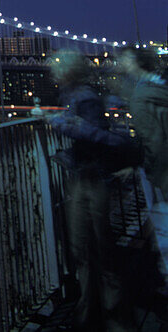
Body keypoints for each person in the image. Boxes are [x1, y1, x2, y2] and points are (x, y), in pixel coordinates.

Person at [48, 50, 137, 332]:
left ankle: (110, 316)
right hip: (81, 178)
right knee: (83, 247)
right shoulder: (72, 96)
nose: (53, 73)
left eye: (57, 68)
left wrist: (56, 121)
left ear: (69, 71)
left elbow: (93, 133)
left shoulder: (85, 98)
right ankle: (92, 312)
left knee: (98, 248)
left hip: (93, 180)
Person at [118, 45, 168, 282]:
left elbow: (153, 140)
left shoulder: (140, 97)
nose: (121, 64)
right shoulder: (160, 87)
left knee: (164, 231)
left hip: (162, 174)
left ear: (135, 63)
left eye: (125, 60)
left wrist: (149, 170)